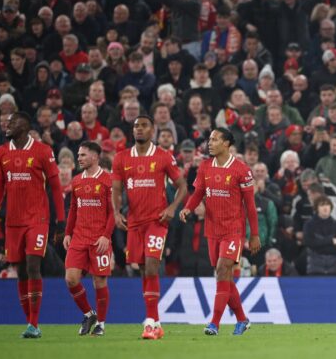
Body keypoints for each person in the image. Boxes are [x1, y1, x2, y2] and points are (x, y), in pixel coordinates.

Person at [111, 115, 188, 340]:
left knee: (153, 267)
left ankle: (151, 323)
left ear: (152, 130)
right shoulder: (121, 158)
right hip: (134, 223)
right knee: (143, 269)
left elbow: (182, 186)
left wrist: (173, 207)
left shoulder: (163, 156)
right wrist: (116, 212)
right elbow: (115, 190)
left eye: (144, 126)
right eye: (136, 126)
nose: (139, 129)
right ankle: (156, 321)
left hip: (157, 221)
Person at [179, 128, 260, 336]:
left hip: (233, 230)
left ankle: (214, 323)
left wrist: (254, 234)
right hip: (212, 229)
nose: (210, 143)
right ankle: (242, 319)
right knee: (223, 276)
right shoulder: (205, 167)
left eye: (215, 140)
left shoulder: (241, 170)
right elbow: (198, 193)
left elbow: (250, 206)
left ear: (226, 143)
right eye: (209, 140)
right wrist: (188, 207)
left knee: (224, 270)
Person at [0, 112, 65, 338]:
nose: (7, 124)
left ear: (24, 125)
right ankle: (30, 323)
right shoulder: (1, 152)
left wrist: (60, 220)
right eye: (7, 121)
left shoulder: (43, 151)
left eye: (13, 121)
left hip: (37, 219)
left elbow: (55, 187)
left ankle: (34, 324)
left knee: (33, 265)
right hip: (12, 222)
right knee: (21, 270)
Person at [63, 141, 113, 336]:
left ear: (94, 156)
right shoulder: (76, 181)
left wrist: (106, 236)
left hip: (99, 239)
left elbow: (112, 211)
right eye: (79, 154)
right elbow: (73, 209)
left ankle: (101, 323)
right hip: (79, 238)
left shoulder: (107, 180)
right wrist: (68, 233)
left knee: (99, 282)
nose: (79, 158)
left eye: (83, 155)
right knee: (71, 279)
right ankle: (88, 313)